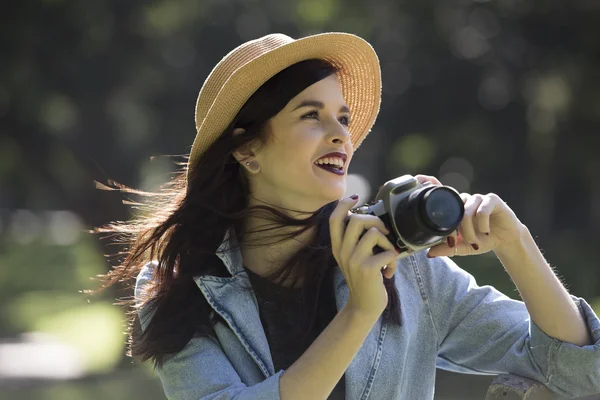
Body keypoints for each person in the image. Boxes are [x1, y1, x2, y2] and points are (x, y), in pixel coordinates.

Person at [96, 32, 600, 399]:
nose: (340, 134)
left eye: (343, 117)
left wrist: (517, 244)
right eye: (310, 115)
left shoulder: (409, 266)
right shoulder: (177, 287)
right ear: (247, 151)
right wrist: (360, 312)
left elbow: (580, 373)